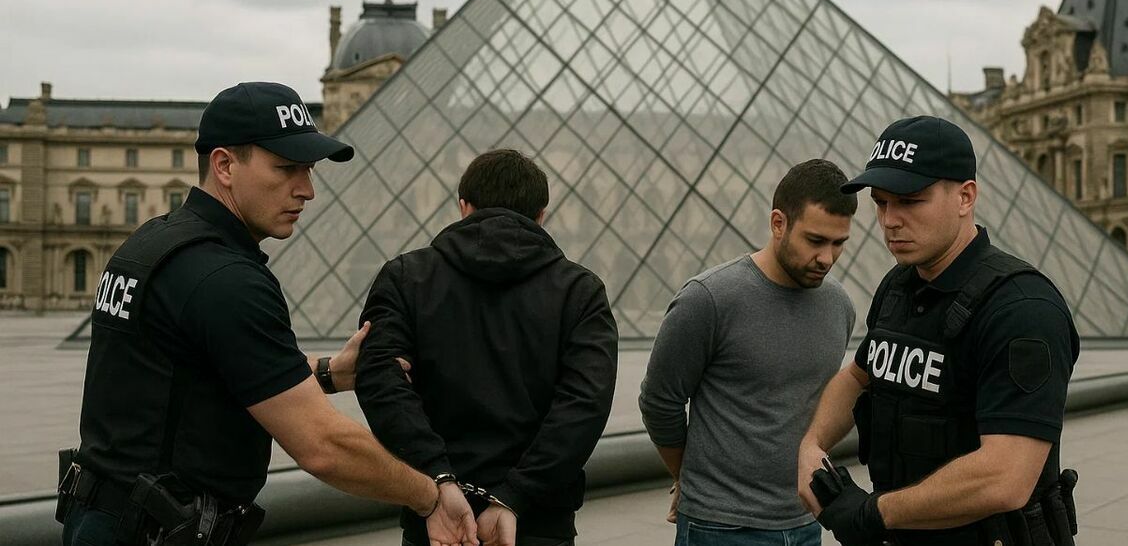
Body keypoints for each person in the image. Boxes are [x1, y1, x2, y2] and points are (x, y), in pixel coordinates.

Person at [59, 82, 470, 546]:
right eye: (287, 168)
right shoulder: (226, 279)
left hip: (103, 516)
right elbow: (324, 447)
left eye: (308, 170)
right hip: (155, 530)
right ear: (225, 165)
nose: (308, 190)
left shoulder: (151, 245)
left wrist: (330, 373)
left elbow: (198, 376)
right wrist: (430, 494)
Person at [798, 115, 1081, 546]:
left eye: (910, 200)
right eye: (881, 202)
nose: (889, 220)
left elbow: (1005, 477)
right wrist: (811, 445)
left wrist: (874, 513)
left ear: (965, 197)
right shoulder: (898, 285)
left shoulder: (1022, 309)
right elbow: (858, 375)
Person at [355, 149, 619, 546]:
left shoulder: (404, 278)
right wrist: (515, 495)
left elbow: (380, 383)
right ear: (541, 215)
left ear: (464, 207)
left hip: (434, 518)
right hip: (538, 521)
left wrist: (438, 479)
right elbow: (584, 406)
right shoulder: (580, 292)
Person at [638, 159, 858, 546]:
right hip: (720, 527)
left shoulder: (840, 306)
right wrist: (686, 477)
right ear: (778, 223)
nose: (827, 258)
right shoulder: (708, 299)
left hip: (806, 520)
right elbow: (659, 401)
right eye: (815, 240)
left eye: (839, 243)